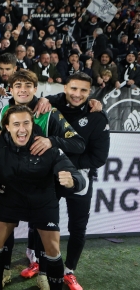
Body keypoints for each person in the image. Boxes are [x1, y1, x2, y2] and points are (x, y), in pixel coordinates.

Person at [0, 104, 86, 290]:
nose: (22, 129)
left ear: (32, 124)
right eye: (16, 124)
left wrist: (72, 181)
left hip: (43, 201)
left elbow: (77, 176)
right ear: (7, 127)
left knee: (53, 250)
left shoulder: (45, 145)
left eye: (26, 123)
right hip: (11, 200)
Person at [44, 73, 111, 290]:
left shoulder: (98, 116)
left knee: (78, 227)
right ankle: (39, 264)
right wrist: (47, 99)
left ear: (90, 92)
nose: (77, 94)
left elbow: (98, 158)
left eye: (83, 90)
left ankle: (69, 271)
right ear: (65, 87)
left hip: (81, 177)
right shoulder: (51, 106)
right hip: (49, 174)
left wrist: (65, 161)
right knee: (42, 220)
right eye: (73, 89)